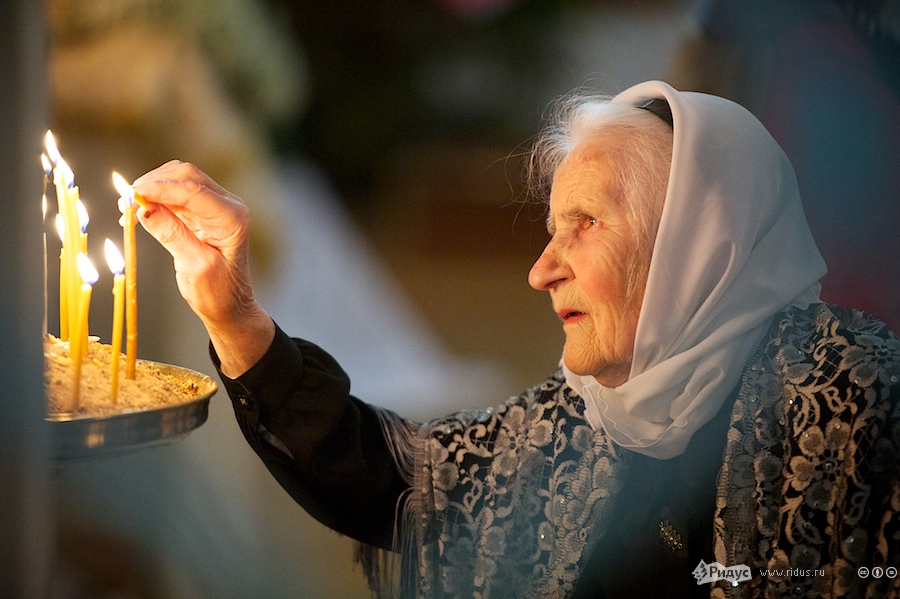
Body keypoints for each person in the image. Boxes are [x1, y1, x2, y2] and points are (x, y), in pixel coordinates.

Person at [130, 80, 899, 598]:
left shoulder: (859, 400)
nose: (540, 270)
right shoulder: (583, 418)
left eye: (585, 225)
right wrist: (235, 317)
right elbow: (395, 479)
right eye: (548, 228)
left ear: (697, 239)